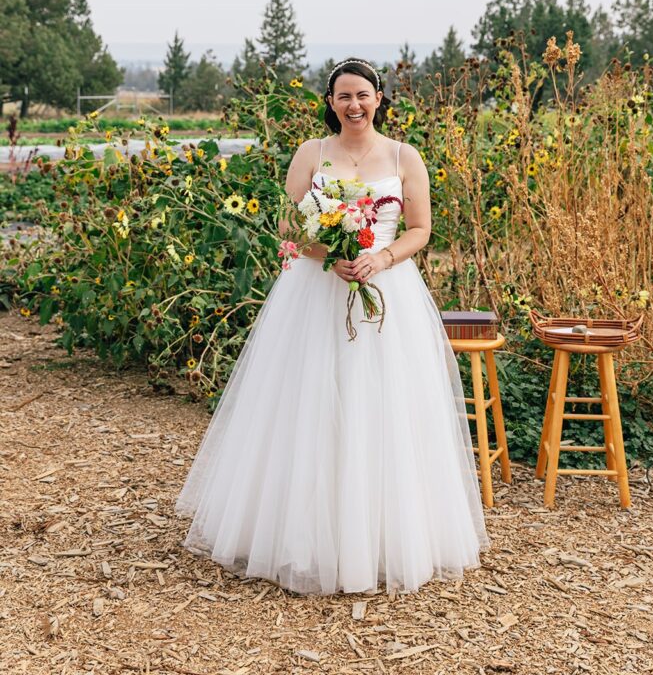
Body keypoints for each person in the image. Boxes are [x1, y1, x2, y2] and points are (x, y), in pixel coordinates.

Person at [175, 57, 490, 594]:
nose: (354, 105)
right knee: (310, 404)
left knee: (383, 405)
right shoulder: (311, 153)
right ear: (330, 102)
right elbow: (284, 222)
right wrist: (329, 251)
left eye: (363, 94)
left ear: (379, 98)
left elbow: (420, 230)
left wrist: (381, 259)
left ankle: (384, 537)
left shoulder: (403, 155)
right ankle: (301, 536)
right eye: (343, 96)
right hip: (316, 290)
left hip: (387, 290)